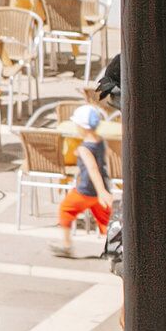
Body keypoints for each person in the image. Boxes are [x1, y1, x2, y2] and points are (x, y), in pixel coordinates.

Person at [57, 77, 115, 257]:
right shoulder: (100, 142)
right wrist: (104, 190)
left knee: (65, 210)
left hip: (85, 191)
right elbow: (104, 161)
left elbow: (92, 169)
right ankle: (114, 250)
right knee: (106, 221)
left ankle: (66, 245)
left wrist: (101, 191)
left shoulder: (84, 148)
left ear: (82, 127)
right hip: (101, 189)